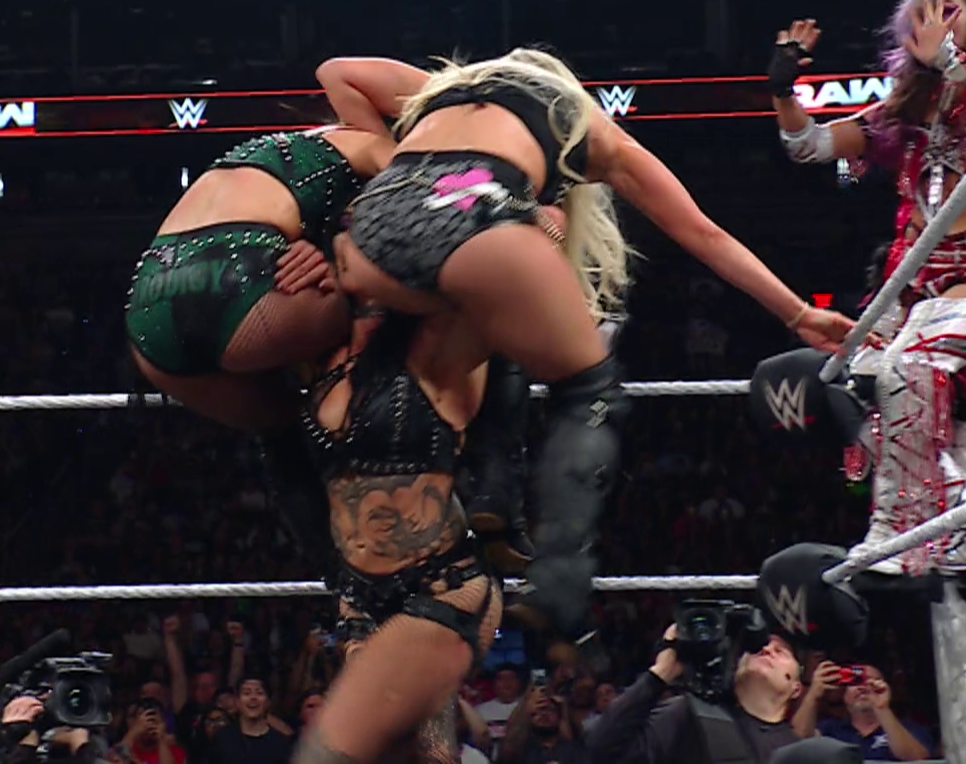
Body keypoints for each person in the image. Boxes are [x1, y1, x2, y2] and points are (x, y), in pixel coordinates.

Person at [327, 47, 861, 632]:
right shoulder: (587, 127)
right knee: (588, 387)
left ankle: (462, 506)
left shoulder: (448, 91)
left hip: (368, 234)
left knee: (464, 334)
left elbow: (337, 72)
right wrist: (797, 312)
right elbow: (703, 234)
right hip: (471, 221)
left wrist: (394, 170)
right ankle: (556, 582)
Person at [765, 0, 966, 575]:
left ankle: (903, 531)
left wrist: (950, 61)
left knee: (905, 369)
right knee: (852, 383)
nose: (934, 23)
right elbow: (810, 146)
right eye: (925, 13)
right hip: (916, 282)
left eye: (948, 11)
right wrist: (783, 90)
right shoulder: (903, 110)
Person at [126, 60, 421, 564]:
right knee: (423, 294)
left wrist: (321, 245)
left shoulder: (275, 149)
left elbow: (334, 76)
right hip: (242, 276)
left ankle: (331, 570)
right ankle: (413, 513)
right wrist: (333, 254)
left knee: (282, 431)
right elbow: (415, 218)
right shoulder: (378, 149)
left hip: (149, 303)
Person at [293, 297, 519, 764]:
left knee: (340, 754)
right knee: (402, 750)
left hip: (443, 584)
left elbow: (496, 309)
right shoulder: (318, 358)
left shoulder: (437, 350)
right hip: (359, 594)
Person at [583, 623, 804, 764]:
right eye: (757, 648)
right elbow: (601, 750)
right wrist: (661, 673)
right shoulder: (690, 714)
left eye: (781, 652)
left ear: (796, 688)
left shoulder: (799, 750)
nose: (766, 649)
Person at [791, 663, 932, 761]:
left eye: (872, 682)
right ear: (844, 695)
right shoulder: (830, 729)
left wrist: (882, 708)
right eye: (855, 681)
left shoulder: (907, 728)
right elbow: (796, 741)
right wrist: (814, 693)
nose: (862, 687)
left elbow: (918, 760)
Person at [211, 679, 294, 764]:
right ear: (237, 701)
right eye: (247, 693)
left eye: (259, 693)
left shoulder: (281, 744)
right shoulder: (222, 738)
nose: (253, 698)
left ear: (268, 701)